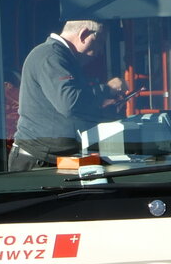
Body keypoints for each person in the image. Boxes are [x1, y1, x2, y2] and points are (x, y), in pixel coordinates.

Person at [9, 20, 126, 170]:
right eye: (100, 42)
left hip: (53, 157)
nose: (100, 51)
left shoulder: (62, 57)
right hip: (38, 161)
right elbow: (70, 103)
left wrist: (104, 108)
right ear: (84, 35)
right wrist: (107, 89)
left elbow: (71, 107)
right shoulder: (51, 56)